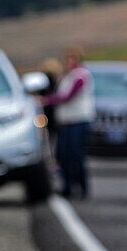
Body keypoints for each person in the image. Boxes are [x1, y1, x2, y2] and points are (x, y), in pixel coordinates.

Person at [40, 46, 94, 198]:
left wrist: (47, 100)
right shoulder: (66, 76)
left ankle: (81, 186)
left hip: (78, 121)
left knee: (76, 155)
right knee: (64, 156)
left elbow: (68, 96)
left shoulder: (80, 76)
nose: (68, 62)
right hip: (66, 122)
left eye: (72, 59)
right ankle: (68, 186)